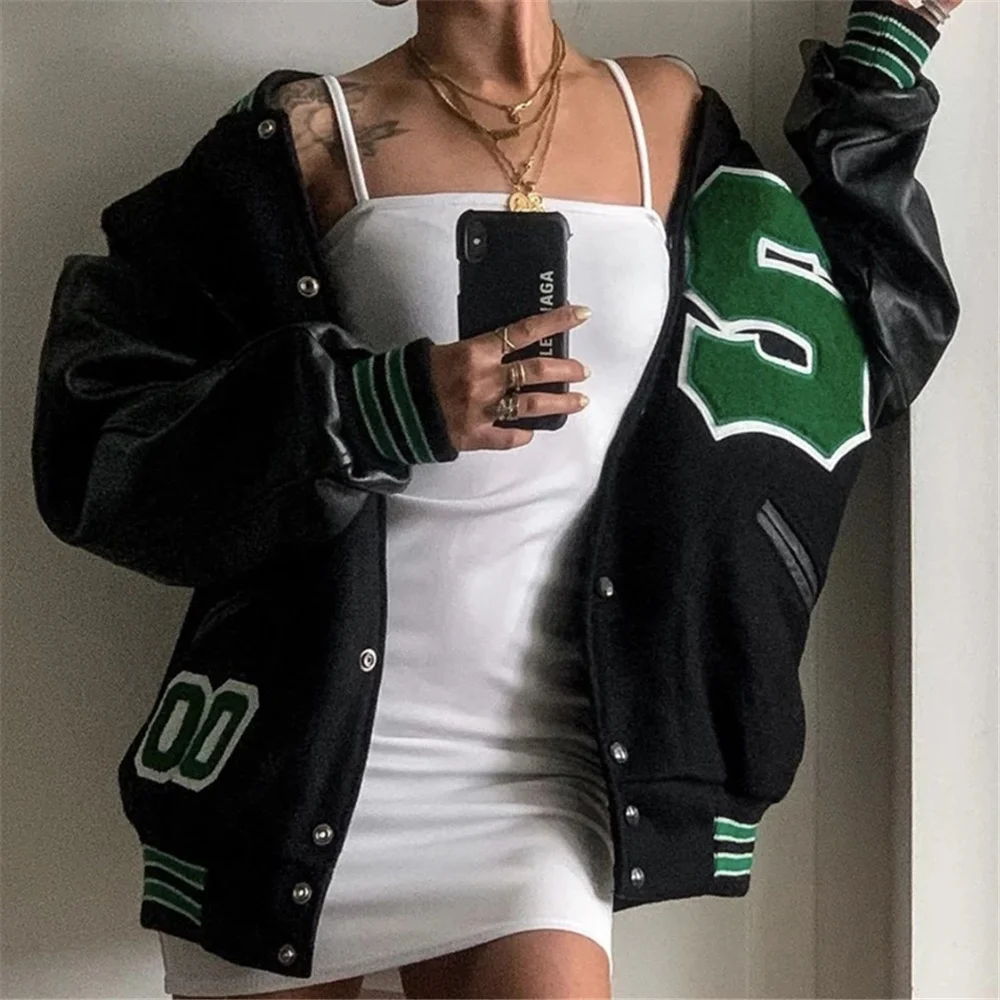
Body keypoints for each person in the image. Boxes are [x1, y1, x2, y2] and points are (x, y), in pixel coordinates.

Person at [30, 0, 961, 998]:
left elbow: (838, 347)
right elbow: (100, 432)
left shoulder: (665, 113)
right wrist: (381, 406)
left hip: (547, 767)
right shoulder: (308, 133)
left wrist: (889, 45)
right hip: (300, 758)